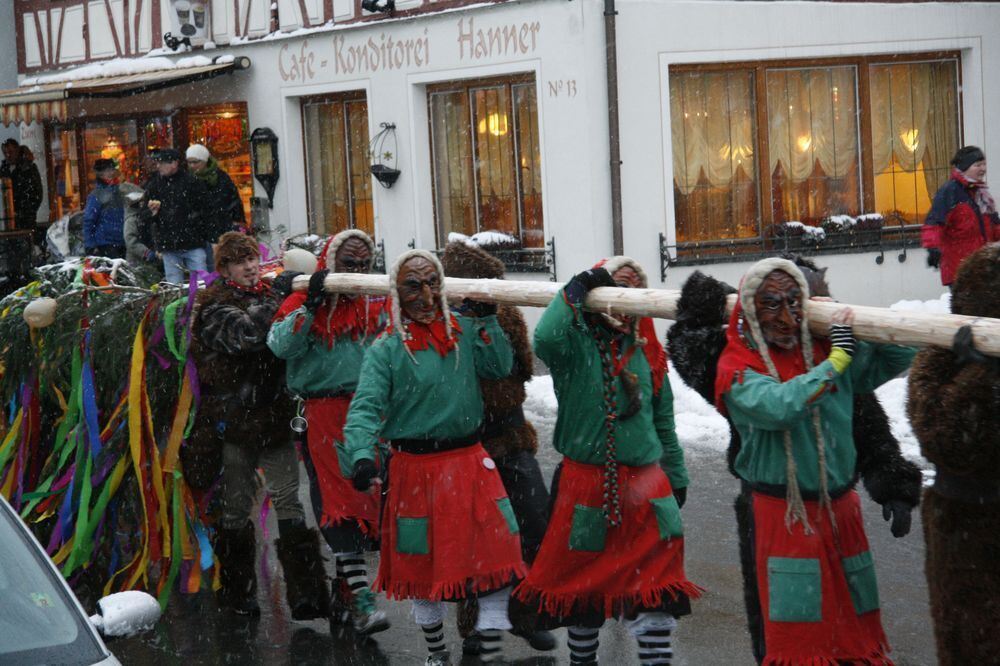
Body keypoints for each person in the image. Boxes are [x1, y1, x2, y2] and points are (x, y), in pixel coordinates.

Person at [667, 257, 922, 664]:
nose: (786, 317)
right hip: (781, 517)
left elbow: (892, 361)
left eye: (794, 302)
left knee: (853, 635)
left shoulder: (821, 348)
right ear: (750, 310)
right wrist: (836, 360)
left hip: (840, 513)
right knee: (795, 640)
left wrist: (866, 328)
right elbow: (778, 406)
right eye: (772, 304)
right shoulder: (735, 364)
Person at [341, 250, 525, 665]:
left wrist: (486, 319)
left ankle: (487, 649)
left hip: (469, 461)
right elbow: (365, 407)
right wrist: (360, 455)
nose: (426, 294)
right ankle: (437, 653)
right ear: (397, 293)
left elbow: (499, 367)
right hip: (414, 470)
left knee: (497, 554)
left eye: (432, 283)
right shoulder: (387, 348)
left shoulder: (462, 330)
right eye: (413, 285)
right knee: (422, 569)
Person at [514, 257, 698, 666]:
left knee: (656, 589)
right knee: (584, 590)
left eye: (632, 287)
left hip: (649, 488)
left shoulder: (648, 352)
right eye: (615, 286)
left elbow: (664, 420)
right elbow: (545, 337)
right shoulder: (575, 346)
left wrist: (677, 474)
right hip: (586, 487)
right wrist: (578, 288)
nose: (622, 295)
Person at [188, 232, 330, 620]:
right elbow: (250, 335)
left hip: (274, 417)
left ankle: (307, 595)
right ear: (225, 268)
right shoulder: (214, 308)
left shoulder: (267, 292)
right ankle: (237, 593)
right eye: (239, 261)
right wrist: (278, 299)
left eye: (252, 258)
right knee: (235, 508)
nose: (250, 267)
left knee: (289, 500)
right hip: (236, 424)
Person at [268, 229, 391, 636]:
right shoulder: (303, 298)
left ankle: (346, 596)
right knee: (338, 505)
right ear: (330, 262)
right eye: (347, 263)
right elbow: (280, 346)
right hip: (321, 414)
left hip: (369, 412)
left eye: (362, 263)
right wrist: (310, 306)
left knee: (367, 502)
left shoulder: (376, 303)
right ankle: (361, 599)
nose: (355, 271)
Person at [439, 240, 556, 655]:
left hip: (508, 433)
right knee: (477, 536)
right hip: (462, 440)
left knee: (532, 523)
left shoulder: (502, 311)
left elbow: (520, 367)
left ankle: (525, 615)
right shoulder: (436, 316)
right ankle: (475, 626)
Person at [907, 243, 1000, 666]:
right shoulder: (939, 356)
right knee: (972, 642)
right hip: (964, 522)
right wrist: (982, 376)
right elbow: (948, 438)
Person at [922, 145, 1000, 288]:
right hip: (960, 270)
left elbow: (995, 227)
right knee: (968, 310)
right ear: (965, 167)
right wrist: (933, 248)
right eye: (978, 165)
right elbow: (934, 222)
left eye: (984, 164)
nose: (983, 169)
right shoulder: (950, 191)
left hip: (984, 268)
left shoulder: (982, 195)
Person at [142, 148, 212, 283]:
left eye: (161, 163)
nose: (158, 166)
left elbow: (206, 211)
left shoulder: (192, 182)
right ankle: (180, 304)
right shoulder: (154, 185)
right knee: (175, 286)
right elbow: (143, 217)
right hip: (169, 245)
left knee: (201, 283)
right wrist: (152, 213)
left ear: (174, 163)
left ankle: (200, 303)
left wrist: (203, 234)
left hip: (192, 242)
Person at [186, 143, 246, 262]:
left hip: (221, 227)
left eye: (195, 162)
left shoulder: (221, 178)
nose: (192, 166)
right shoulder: (188, 180)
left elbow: (233, 201)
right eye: (189, 162)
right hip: (199, 232)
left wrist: (235, 222)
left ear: (205, 160)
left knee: (220, 264)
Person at [82, 159, 138, 259]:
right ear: (100, 174)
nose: (111, 173)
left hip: (122, 242)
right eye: (107, 170)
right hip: (106, 244)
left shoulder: (120, 190)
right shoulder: (97, 194)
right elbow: (88, 221)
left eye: (112, 170)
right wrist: (90, 245)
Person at [0, 139, 43, 234]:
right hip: (7, 222)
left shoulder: (28, 169)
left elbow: (37, 195)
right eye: (5, 152)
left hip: (25, 222)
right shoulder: (4, 170)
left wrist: (23, 213)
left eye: (10, 152)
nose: (8, 155)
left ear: (17, 151)